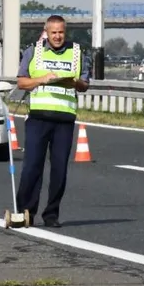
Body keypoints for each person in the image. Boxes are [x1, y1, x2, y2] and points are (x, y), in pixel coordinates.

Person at [15, 15, 91, 227]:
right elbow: (21, 82)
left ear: (65, 32)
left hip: (64, 120)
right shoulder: (33, 51)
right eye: (53, 32)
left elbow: (85, 84)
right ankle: (25, 212)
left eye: (61, 32)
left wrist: (76, 83)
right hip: (38, 118)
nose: (57, 36)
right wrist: (41, 79)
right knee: (32, 167)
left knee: (59, 169)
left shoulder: (78, 53)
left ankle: (51, 215)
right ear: (46, 32)